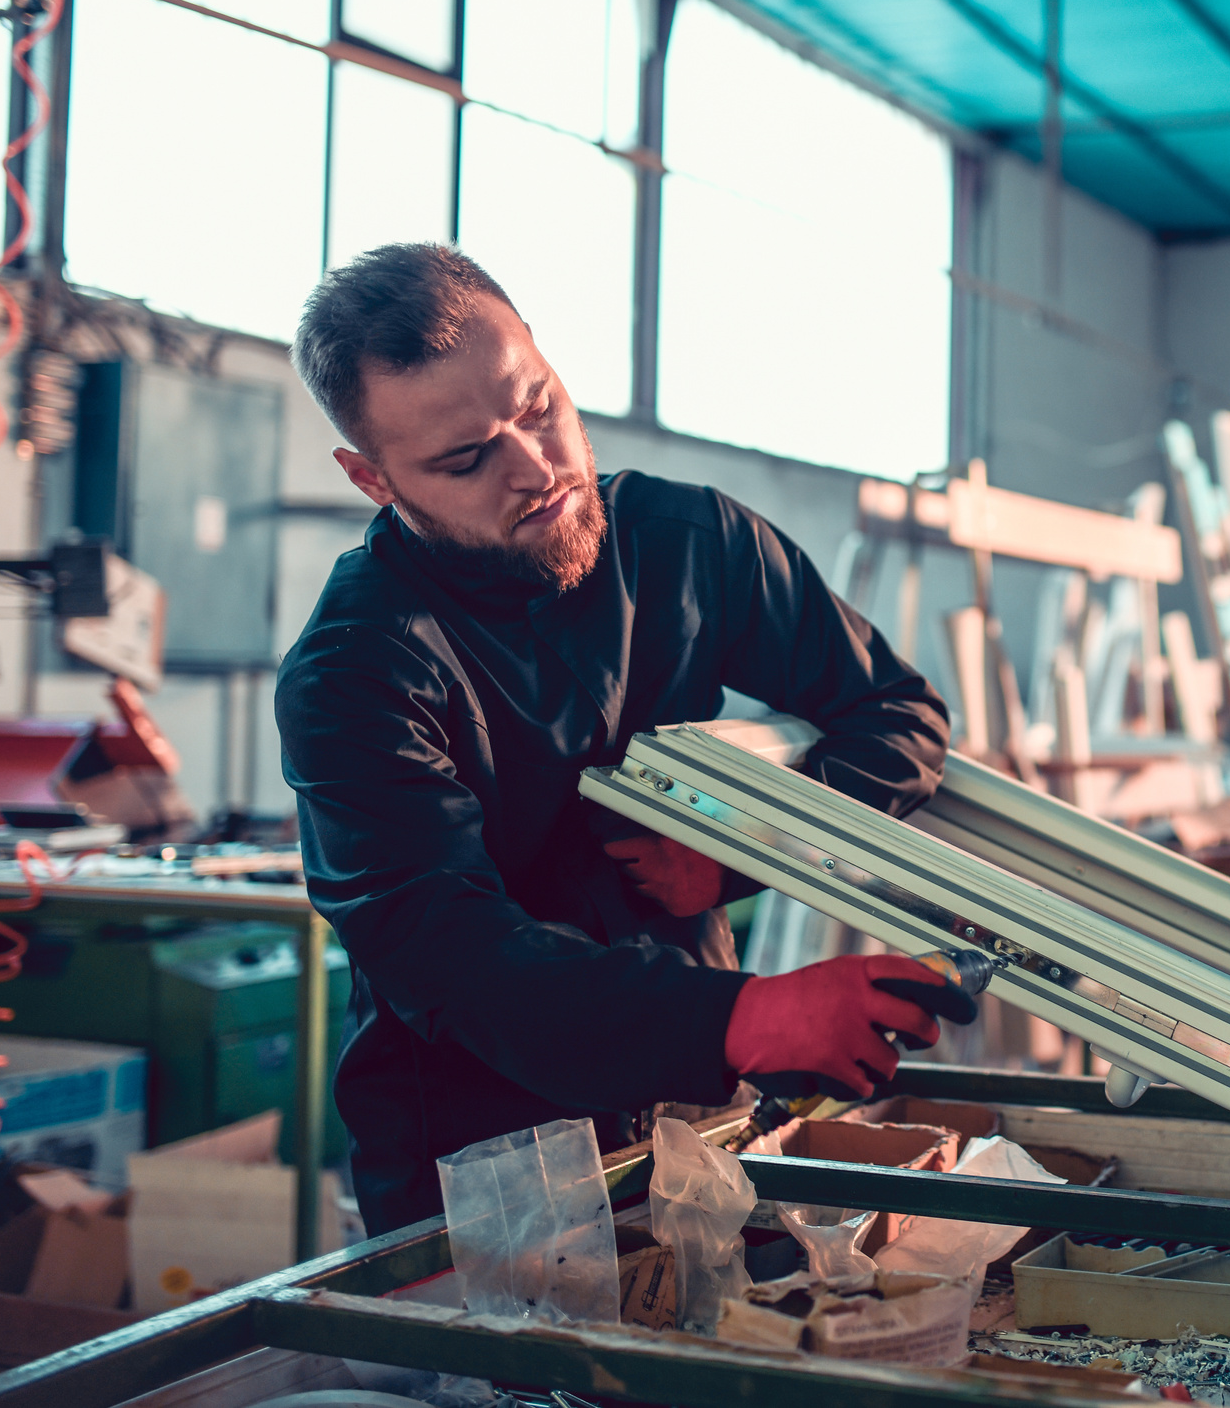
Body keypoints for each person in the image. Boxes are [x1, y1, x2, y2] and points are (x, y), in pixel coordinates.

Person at [275, 243, 959, 1234]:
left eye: (538, 406)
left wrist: (739, 851)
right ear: (372, 478)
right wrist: (747, 1017)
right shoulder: (354, 670)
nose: (535, 468)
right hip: (479, 1170)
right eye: (467, 458)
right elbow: (452, 956)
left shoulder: (688, 544)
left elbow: (896, 713)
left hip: (697, 1123)